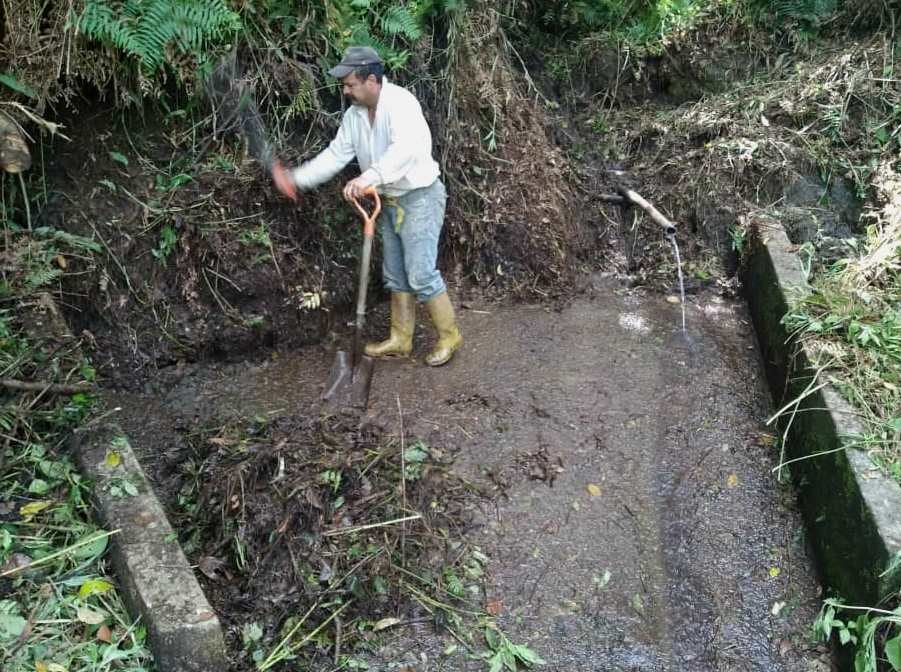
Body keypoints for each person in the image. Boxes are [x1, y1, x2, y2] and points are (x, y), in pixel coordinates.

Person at [272, 46, 462, 367]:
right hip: (387, 200)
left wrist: (369, 177)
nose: (345, 91)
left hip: (420, 197)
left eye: (349, 84)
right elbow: (335, 155)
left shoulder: (401, 104)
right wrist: (297, 178)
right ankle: (401, 339)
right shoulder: (354, 116)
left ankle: (449, 336)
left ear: (371, 80)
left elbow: (405, 151)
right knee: (396, 274)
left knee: (421, 273)